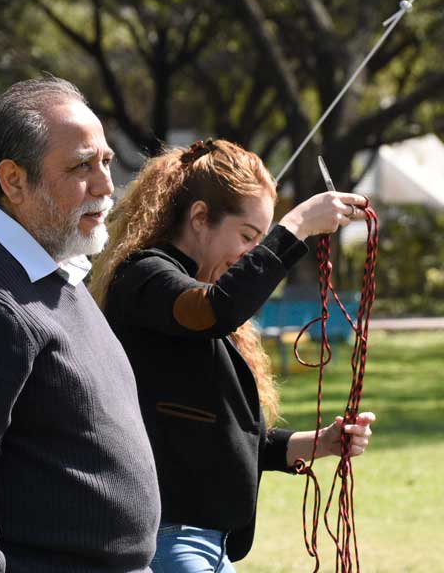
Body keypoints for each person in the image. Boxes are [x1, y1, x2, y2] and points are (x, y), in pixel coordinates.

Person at [0, 76, 160, 572]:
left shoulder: (55, 270)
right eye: (82, 166)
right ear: (14, 180)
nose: (106, 185)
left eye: (105, 161)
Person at [90, 139, 376, 572]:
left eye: (260, 241)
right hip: (170, 541)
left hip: (211, 545)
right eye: (248, 237)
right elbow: (214, 309)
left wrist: (321, 443)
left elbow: (235, 440)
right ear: (200, 217)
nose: (251, 255)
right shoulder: (145, 277)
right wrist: (296, 226)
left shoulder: (204, 307)